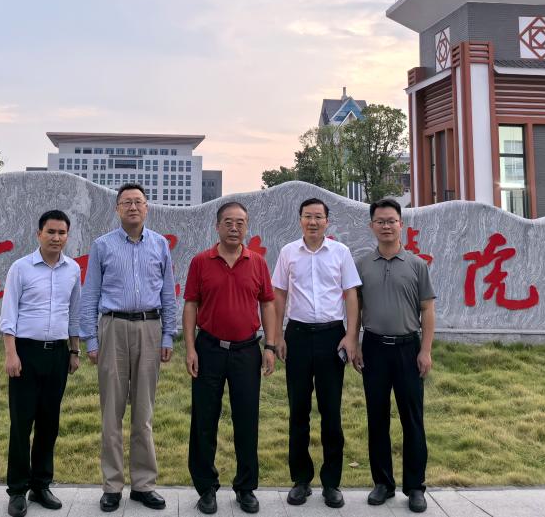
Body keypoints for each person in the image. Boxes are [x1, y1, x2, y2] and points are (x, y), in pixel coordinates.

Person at [79, 183, 177, 512]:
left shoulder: (160, 244)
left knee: (144, 414)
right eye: (126, 202)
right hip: (113, 328)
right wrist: (91, 339)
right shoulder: (102, 246)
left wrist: (168, 336)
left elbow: (167, 294)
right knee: (112, 413)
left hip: (150, 328)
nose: (133, 207)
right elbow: (90, 294)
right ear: (117, 208)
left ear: (147, 208)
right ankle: (111, 486)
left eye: (138, 202)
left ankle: (144, 484)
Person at [183, 201, 278, 515]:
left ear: (247, 226)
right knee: (204, 421)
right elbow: (191, 305)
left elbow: (267, 303)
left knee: (247, 420)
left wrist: (270, 346)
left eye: (240, 223)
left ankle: (245, 488)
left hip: (246, 351)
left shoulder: (257, 262)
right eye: (228, 222)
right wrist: (190, 348)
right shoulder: (201, 261)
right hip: (209, 349)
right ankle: (206, 488)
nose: (234, 228)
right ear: (217, 226)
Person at [271, 198, 361, 509]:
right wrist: (277, 335)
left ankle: (332, 483)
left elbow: (351, 294)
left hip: (331, 336)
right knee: (298, 410)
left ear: (327, 221)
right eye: (308, 216)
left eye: (318, 217)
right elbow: (279, 294)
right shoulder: (288, 252)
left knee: (331, 411)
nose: (313, 222)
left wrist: (351, 336)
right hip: (297, 335)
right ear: (300, 220)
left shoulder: (340, 252)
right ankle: (301, 480)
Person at [353, 198, 436, 514]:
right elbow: (355, 308)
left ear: (401, 224)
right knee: (376, 418)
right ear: (372, 226)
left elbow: (427, 310)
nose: (386, 226)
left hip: (407, 349)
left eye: (391, 221)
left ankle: (415, 487)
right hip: (374, 348)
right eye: (380, 221)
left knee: (412, 419)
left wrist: (425, 350)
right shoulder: (362, 264)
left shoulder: (416, 265)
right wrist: (355, 342)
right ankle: (383, 483)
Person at [0, 210, 82, 517]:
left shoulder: (72, 270)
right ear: (39, 234)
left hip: (57, 354)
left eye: (62, 233)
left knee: (49, 423)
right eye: (51, 232)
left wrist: (74, 351)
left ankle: (41, 484)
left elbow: (74, 313)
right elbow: (9, 314)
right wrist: (11, 353)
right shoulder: (21, 268)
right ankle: (17, 490)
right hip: (26, 353)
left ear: (67, 236)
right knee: (22, 424)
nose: (56, 238)